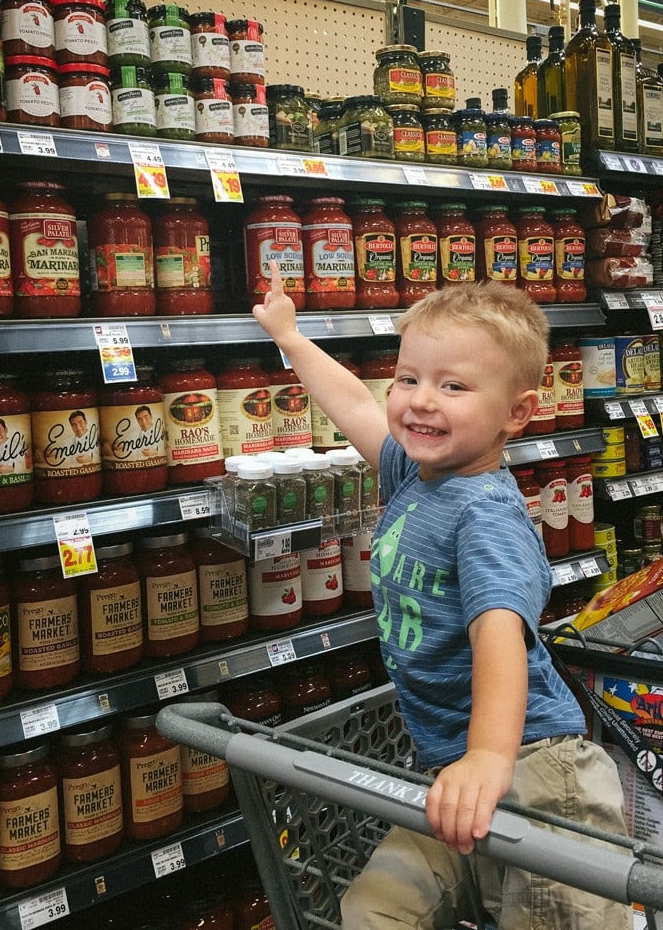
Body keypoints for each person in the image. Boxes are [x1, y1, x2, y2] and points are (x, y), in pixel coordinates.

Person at [252, 263, 632, 930]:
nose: (420, 400)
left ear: (516, 413)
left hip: (541, 774)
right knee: (371, 910)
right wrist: (291, 337)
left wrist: (489, 756)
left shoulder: (485, 515)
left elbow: (499, 634)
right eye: (409, 378)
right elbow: (354, 408)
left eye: (453, 386)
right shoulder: (418, 477)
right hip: (451, 778)